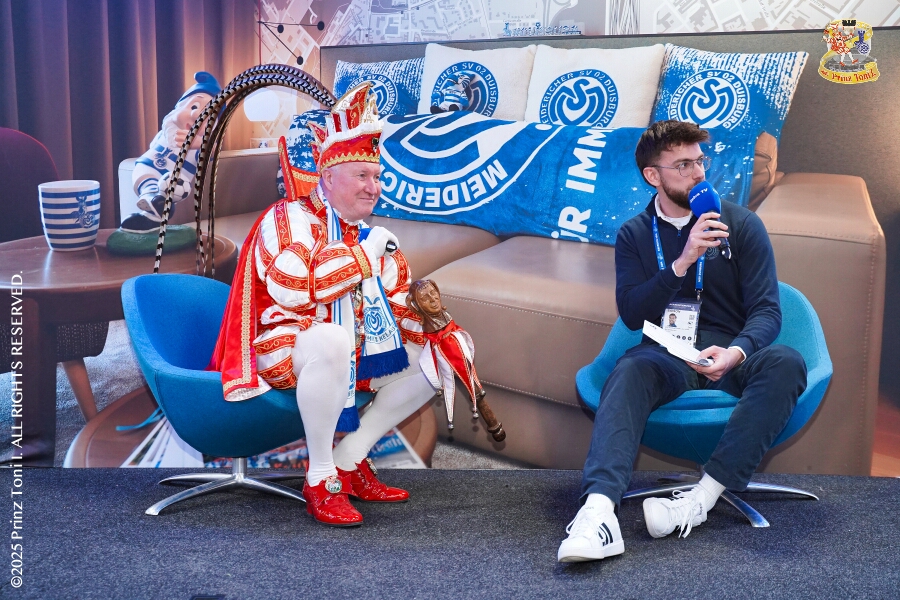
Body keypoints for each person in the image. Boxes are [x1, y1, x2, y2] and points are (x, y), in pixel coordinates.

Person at [557, 120, 807, 562]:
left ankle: (699, 500)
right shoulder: (635, 234)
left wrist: (736, 352)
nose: (698, 174)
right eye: (684, 165)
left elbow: (768, 310)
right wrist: (682, 261)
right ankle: (598, 515)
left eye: (699, 162)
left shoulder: (741, 224)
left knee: (787, 362)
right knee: (629, 370)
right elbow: (632, 313)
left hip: (730, 353)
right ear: (652, 175)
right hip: (668, 353)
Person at [211, 84, 434, 527]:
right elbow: (293, 285)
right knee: (331, 339)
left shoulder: (366, 235)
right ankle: (320, 477)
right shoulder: (287, 217)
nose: (374, 187)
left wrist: (435, 331)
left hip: (352, 348)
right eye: (362, 176)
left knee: (437, 356)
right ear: (328, 178)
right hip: (281, 347)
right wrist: (364, 257)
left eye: (377, 177)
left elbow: (395, 306)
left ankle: (350, 458)